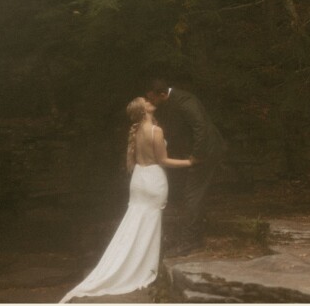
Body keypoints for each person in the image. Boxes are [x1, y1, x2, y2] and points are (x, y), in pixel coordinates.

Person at [60, 97, 193, 303]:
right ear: (143, 109)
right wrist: (189, 162)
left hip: (138, 180)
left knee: (134, 223)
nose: (150, 101)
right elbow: (164, 160)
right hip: (153, 180)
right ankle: (143, 267)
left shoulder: (137, 130)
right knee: (149, 223)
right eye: (146, 101)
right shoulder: (155, 131)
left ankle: (127, 263)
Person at [145, 78, 228, 256]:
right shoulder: (168, 103)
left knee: (192, 195)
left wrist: (197, 155)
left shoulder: (185, 101)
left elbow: (201, 127)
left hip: (206, 151)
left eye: (153, 99)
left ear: (162, 94)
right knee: (191, 194)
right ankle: (195, 235)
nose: (151, 103)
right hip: (192, 153)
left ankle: (190, 242)